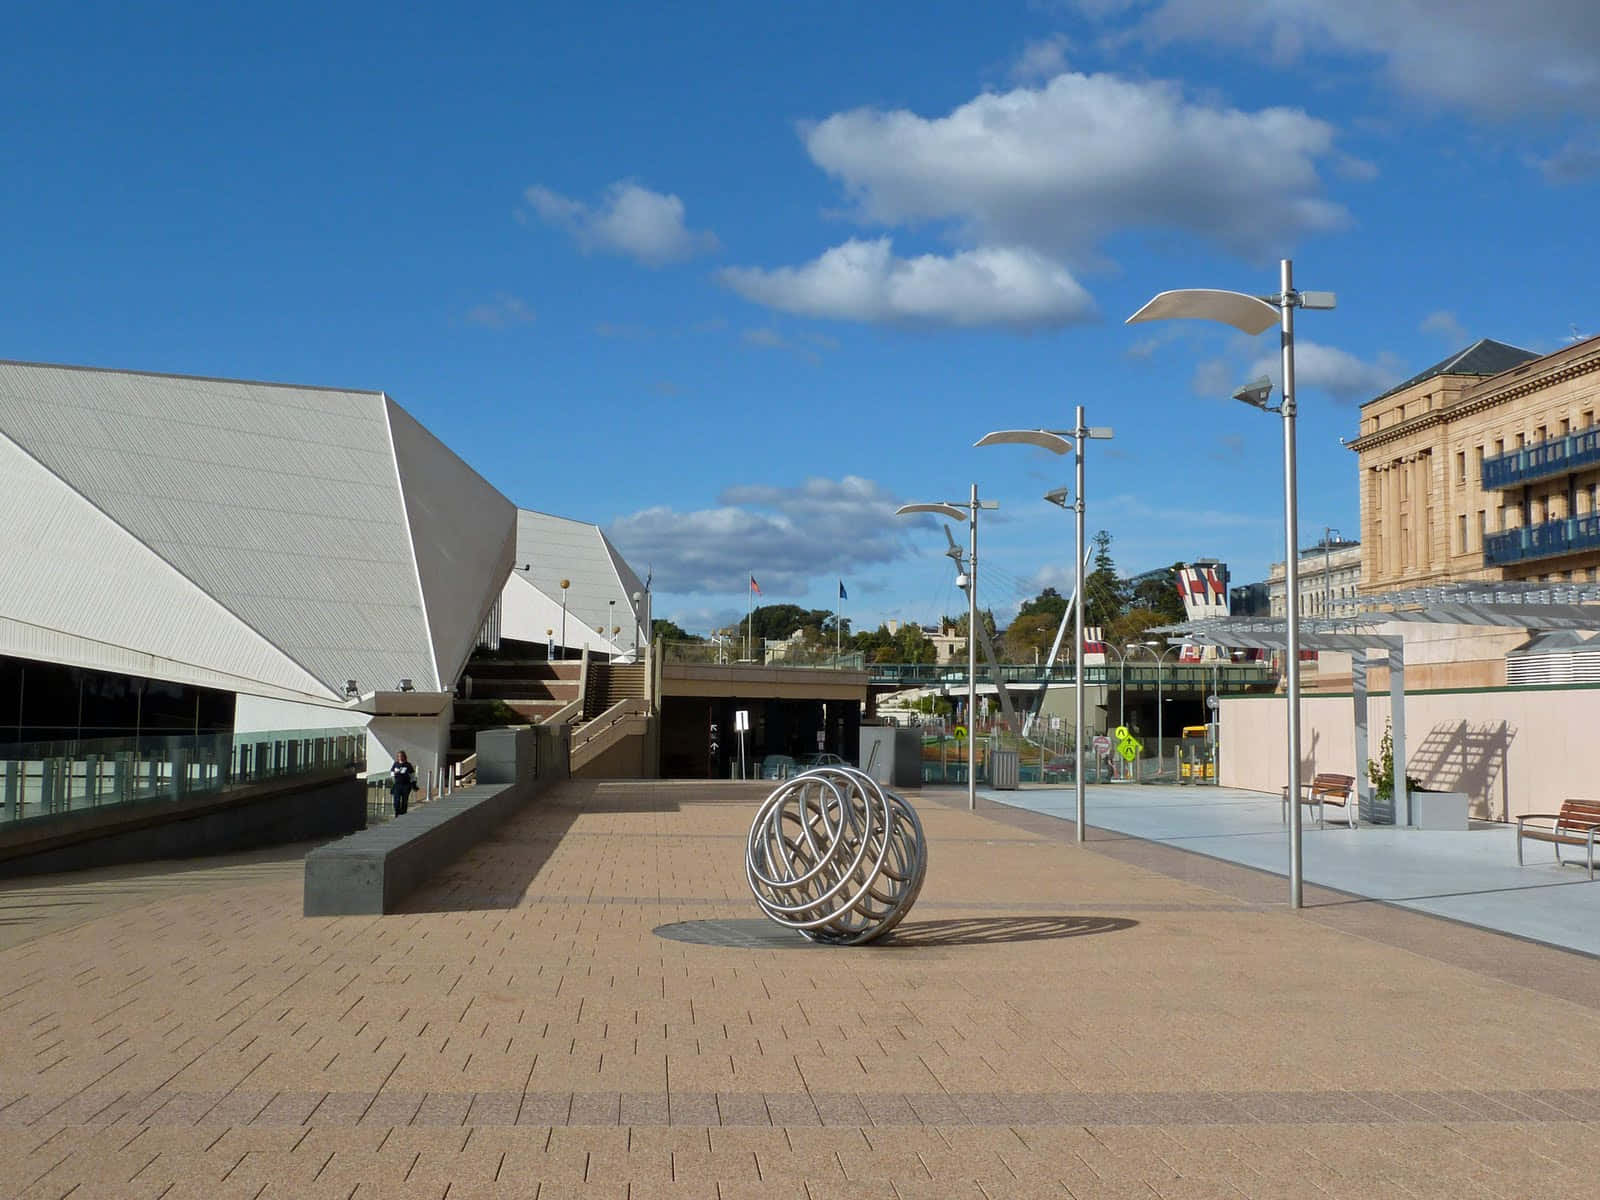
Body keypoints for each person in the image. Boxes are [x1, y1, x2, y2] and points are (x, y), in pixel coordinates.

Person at [390, 750, 417, 816]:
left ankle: (403, 812)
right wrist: (395, 774)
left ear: (404, 757)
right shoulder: (395, 764)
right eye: (399, 756)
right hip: (397, 784)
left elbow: (412, 775)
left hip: (406, 785)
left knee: (405, 800)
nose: (400, 757)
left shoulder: (408, 765)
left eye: (401, 756)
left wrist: (413, 784)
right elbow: (391, 772)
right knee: (396, 800)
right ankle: (397, 812)